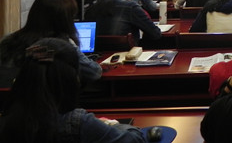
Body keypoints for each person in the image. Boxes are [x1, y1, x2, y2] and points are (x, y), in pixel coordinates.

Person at [0, 38, 145, 143]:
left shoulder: (7, 120)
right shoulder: (78, 123)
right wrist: (114, 125)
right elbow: (134, 139)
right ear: (71, 78)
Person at [0, 0, 101, 87]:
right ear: (66, 21)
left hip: (8, 98)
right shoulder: (62, 46)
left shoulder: (7, 39)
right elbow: (94, 73)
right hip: (46, 99)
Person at [86, 0, 161, 45]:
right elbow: (155, 34)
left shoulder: (92, 8)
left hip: (97, 53)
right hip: (125, 52)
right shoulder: (131, 7)